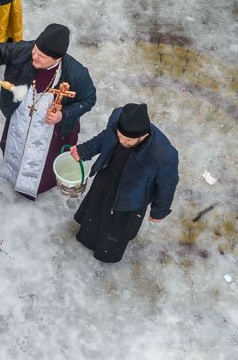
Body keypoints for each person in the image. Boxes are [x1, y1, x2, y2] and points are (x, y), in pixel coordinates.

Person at [0, 24, 96, 198]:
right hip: (21, 115)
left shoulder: (76, 73)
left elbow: (89, 99)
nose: (34, 56)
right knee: (16, 145)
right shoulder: (25, 50)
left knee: (43, 162)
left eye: (41, 56)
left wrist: (63, 115)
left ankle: (38, 185)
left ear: (57, 59)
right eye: (35, 50)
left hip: (51, 128)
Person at [71, 104, 180, 263]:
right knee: (95, 212)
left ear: (143, 135)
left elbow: (167, 185)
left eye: (128, 140)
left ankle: (107, 253)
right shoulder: (118, 118)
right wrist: (84, 150)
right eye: (120, 136)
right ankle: (88, 237)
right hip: (107, 178)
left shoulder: (164, 154)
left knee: (116, 227)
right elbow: (105, 138)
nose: (121, 141)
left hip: (132, 196)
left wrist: (159, 211)